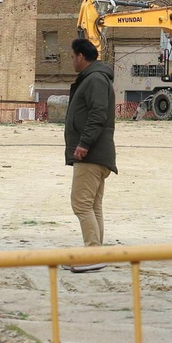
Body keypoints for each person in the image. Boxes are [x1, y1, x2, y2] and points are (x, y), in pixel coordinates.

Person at [64, 38, 117, 273]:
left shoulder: (94, 79)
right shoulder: (95, 77)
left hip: (92, 154)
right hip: (98, 154)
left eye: (72, 56)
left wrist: (84, 143)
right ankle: (95, 254)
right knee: (93, 206)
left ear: (80, 56)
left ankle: (93, 254)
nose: (71, 61)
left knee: (81, 204)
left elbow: (98, 113)